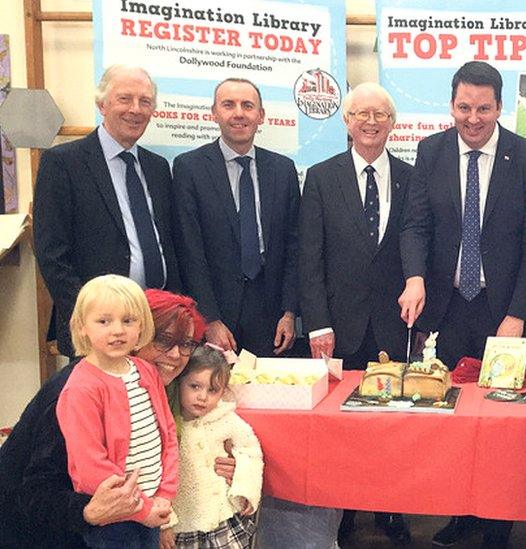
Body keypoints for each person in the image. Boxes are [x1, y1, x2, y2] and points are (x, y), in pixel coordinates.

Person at [398, 60, 526, 548]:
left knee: (500, 425)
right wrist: (415, 277)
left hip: (501, 311)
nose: (473, 118)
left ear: (500, 107)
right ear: (451, 104)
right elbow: (416, 225)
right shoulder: (432, 151)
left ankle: (497, 526)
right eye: (464, 107)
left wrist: (518, 314)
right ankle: (459, 512)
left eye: (483, 108)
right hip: (445, 310)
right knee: (452, 424)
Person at [0, 289, 221, 549]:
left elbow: (170, 442)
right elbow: (32, 492)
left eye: (185, 343)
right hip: (39, 532)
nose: (175, 355)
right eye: (163, 339)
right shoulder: (78, 389)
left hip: (131, 516)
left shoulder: (149, 379)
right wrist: (87, 511)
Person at [298, 81, 413, 545]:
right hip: (339, 327)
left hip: (396, 326)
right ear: (346, 121)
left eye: (380, 114)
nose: (370, 122)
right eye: (361, 114)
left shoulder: (411, 177)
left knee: (395, 424)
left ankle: (392, 510)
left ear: (392, 123)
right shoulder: (321, 177)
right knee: (342, 428)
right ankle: (343, 512)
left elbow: (416, 251)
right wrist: (318, 321)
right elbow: (310, 257)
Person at [33, 65, 182, 357]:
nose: (135, 110)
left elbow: (169, 246)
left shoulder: (158, 168)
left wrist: (173, 312)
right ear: (102, 104)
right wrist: (91, 320)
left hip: (155, 324)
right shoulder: (63, 163)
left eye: (145, 101)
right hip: (99, 331)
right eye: (125, 99)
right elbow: (52, 254)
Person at [173, 78, 300, 358]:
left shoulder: (283, 170)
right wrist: (209, 318)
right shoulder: (189, 168)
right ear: (214, 113)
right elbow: (189, 250)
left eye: (248, 105)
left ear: (261, 115)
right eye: (228, 105)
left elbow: (294, 246)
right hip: (216, 309)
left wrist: (290, 313)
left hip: (270, 312)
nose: (239, 113)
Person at [55, 275, 179, 548]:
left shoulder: (145, 370)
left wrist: (164, 494)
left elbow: (167, 434)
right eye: (104, 321)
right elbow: (89, 465)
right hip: (114, 520)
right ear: (82, 326)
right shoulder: (81, 388)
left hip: (152, 507)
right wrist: (141, 509)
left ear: (141, 326)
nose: (118, 331)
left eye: (128, 320)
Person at [163, 345, 262, 549]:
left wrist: (246, 489)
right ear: (179, 382)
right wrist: (165, 522)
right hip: (182, 523)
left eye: (212, 390)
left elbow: (250, 451)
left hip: (221, 518)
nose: (202, 397)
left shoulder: (225, 418)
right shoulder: (168, 423)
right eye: (194, 386)